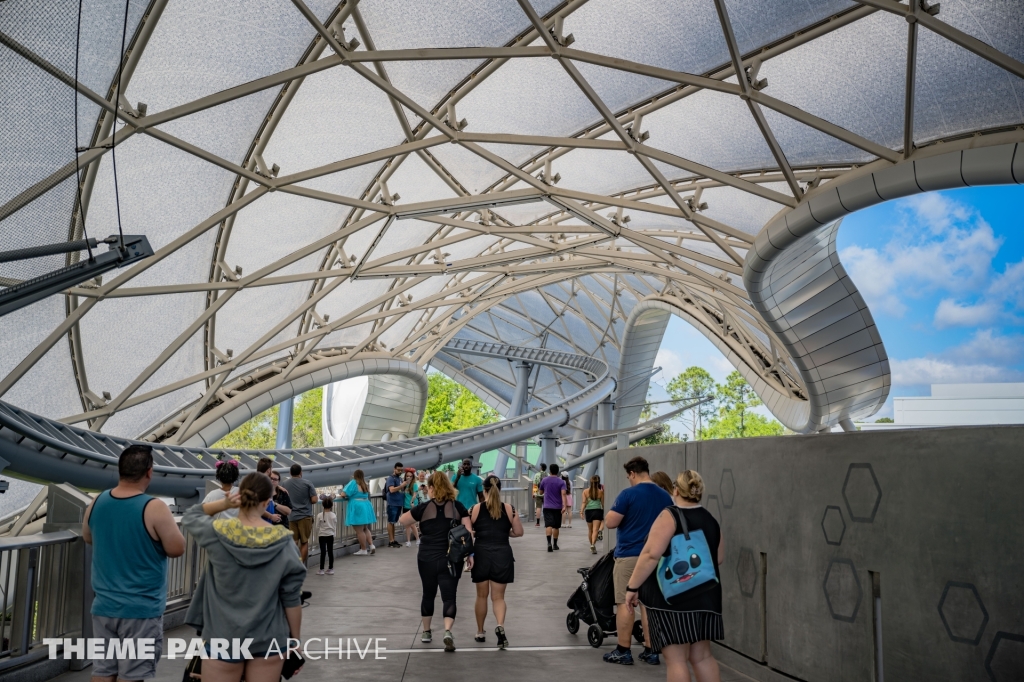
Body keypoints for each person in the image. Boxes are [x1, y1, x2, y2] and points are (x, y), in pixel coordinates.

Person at [183, 473, 306, 682]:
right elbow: (291, 598)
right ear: (268, 502)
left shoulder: (217, 533)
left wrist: (223, 504)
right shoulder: (284, 542)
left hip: (223, 635)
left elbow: (191, 516)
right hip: (269, 638)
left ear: (239, 497)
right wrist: (294, 639)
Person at [82, 445, 186, 682]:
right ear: (149, 472)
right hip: (140, 610)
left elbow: (88, 537)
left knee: (103, 670)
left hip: (104, 607)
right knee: (135, 675)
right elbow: (177, 548)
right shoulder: (154, 507)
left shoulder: (97, 501)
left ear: (120, 470)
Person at [625, 471, 724, 682]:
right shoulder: (710, 518)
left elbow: (651, 555)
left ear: (676, 490)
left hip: (673, 599)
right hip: (706, 595)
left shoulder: (669, 516)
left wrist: (632, 587)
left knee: (676, 659)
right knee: (702, 656)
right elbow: (719, 557)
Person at [603, 456, 674, 666]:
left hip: (630, 556)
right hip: (657, 556)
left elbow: (610, 522)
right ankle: (651, 651)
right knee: (648, 604)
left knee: (625, 602)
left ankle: (623, 651)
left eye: (628, 476)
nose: (629, 480)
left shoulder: (628, 494)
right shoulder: (665, 496)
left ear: (633, 473)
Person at [400, 471, 473, 652]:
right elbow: (469, 533)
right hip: (451, 558)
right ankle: (447, 631)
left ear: (431, 488)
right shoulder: (458, 507)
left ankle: (426, 632)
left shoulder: (424, 508)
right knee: (449, 596)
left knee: (428, 594)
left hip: (426, 557)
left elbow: (402, 520)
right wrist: (470, 555)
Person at [469, 475, 523, 648]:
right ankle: (500, 625)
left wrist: (479, 533)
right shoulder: (509, 509)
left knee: (481, 595)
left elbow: (469, 532)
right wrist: (505, 532)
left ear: (484, 491)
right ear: (499, 489)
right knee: (498, 597)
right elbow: (519, 532)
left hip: (481, 554)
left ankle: (480, 631)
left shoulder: (475, 509)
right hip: (502, 553)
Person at [281, 464, 318, 563]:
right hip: (305, 516)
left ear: (290, 473)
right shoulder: (307, 483)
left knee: (293, 542)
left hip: (291, 517)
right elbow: (314, 500)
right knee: (304, 542)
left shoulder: (284, 484)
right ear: (301, 472)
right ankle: (300, 565)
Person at [339, 469, 376, 555]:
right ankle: (371, 545)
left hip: (357, 506)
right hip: (366, 505)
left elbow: (344, 494)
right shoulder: (364, 483)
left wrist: (343, 494)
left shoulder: (353, 482)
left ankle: (363, 549)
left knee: (359, 531)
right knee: (365, 528)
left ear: (354, 475)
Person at [538, 463, 568, 552]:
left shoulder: (544, 480)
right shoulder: (561, 482)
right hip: (557, 507)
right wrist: (564, 506)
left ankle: (548, 543)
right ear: (558, 471)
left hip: (547, 506)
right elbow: (563, 494)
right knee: (556, 527)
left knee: (548, 525)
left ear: (550, 471)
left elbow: (540, 492)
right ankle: (555, 544)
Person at [385, 462, 409, 548]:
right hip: (392, 503)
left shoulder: (400, 479)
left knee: (393, 522)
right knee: (391, 521)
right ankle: (391, 541)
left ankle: (393, 540)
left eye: (401, 470)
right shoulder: (391, 478)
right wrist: (401, 485)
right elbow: (391, 490)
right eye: (398, 470)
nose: (400, 471)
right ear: (394, 469)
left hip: (398, 503)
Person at [581, 474, 604, 554]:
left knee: (590, 530)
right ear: (598, 483)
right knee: (595, 530)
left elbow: (584, 502)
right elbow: (603, 504)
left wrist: (581, 512)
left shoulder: (585, 491)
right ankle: (593, 544)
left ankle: (591, 545)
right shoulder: (601, 492)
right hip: (597, 511)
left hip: (588, 512)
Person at [316, 497, 337, 576]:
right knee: (330, 551)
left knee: (323, 552)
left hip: (322, 535)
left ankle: (321, 569)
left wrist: (318, 533)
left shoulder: (319, 515)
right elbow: (335, 526)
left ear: (323, 505)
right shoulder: (333, 515)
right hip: (330, 534)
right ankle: (330, 568)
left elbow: (317, 526)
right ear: (331, 505)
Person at [403, 470, 420, 546]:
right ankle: (408, 541)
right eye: (407, 476)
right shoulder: (404, 484)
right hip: (405, 506)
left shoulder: (414, 484)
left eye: (410, 476)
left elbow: (414, 494)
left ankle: (417, 539)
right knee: (407, 525)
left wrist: (412, 502)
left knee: (412, 524)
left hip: (412, 506)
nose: (409, 477)